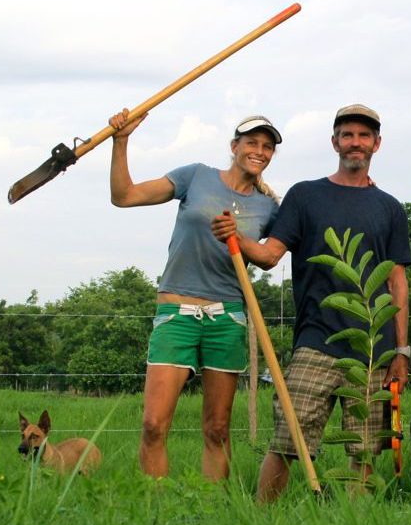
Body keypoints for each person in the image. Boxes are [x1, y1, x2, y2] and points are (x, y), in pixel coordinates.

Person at [212, 104, 411, 503]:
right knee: (288, 439)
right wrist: (236, 237)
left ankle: (356, 524)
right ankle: (262, 520)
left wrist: (401, 350)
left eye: (364, 135)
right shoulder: (306, 196)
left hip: (372, 349)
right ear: (335, 141)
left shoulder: (390, 207)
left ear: (377, 143)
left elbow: (397, 282)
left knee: (365, 449)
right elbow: (270, 255)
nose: (356, 142)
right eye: (348, 134)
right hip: (315, 342)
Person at [108, 108, 282, 482]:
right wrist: (120, 140)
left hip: (227, 318)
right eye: (252, 142)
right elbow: (124, 196)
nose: (260, 151)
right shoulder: (196, 177)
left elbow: (270, 258)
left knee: (217, 429)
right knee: (154, 424)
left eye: (268, 147)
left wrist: (238, 237)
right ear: (234, 146)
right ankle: (157, 514)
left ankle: (213, 514)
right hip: (176, 314)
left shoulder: (269, 206)